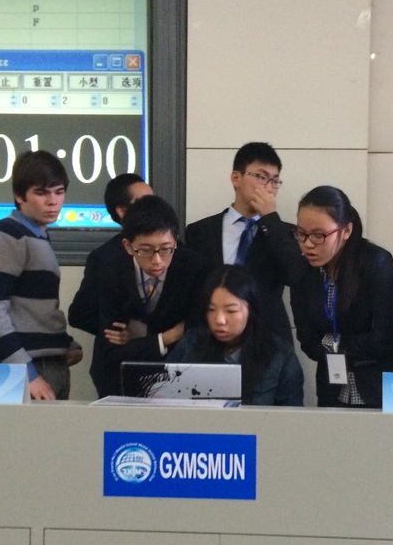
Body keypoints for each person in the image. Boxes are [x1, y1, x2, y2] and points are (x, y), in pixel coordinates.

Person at [289, 185, 393, 408]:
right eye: (301, 234)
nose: (308, 244)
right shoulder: (302, 272)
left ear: (346, 231)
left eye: (319, 235)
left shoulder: (376, 263)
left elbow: (383, 339)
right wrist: (354, 344)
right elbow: (308, 341)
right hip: (333, 390)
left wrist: (332, 343)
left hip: (386, 387)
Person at [0, 150, 82, 400]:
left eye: (59, 192)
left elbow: (34, 310)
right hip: (26, 370)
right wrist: (27, 374)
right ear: (19, 196)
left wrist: (63, 343)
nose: (52, 201)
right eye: (41, 193)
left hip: (49, 365)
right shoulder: (5, 235)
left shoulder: (36, 235)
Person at [184, 142, 305, 344]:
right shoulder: (200, 231)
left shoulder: (284, 232)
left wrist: (270, 219)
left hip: (267, 339)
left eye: (275, 181)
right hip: (213, 338)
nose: (269, 187)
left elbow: (295, 275)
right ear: (236, 178)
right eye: (261, 177)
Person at [89, 194, 207, 398]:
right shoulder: (111, 270)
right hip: (118, 379)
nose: (157, 260)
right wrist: (168, 336)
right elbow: (112, 351)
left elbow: (197, 329)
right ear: (128, 246)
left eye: (166, 249)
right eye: (145, 250)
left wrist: (136, 342)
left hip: (178, 377)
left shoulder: (194, 267)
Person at [168, 264, 304, 406]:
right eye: (211, 309)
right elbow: (166, 400)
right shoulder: (191, 344)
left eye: (231, 311)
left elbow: (292, 415)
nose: (220, 320)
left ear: (251, 309)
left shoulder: (280, 356)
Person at [68, 173, 153, 334]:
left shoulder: (175, 248)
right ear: (122, 211)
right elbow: (79, 315)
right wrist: (120, 331)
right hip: (120, 348)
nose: (153, 208)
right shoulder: (103, 258)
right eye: (144, 203)